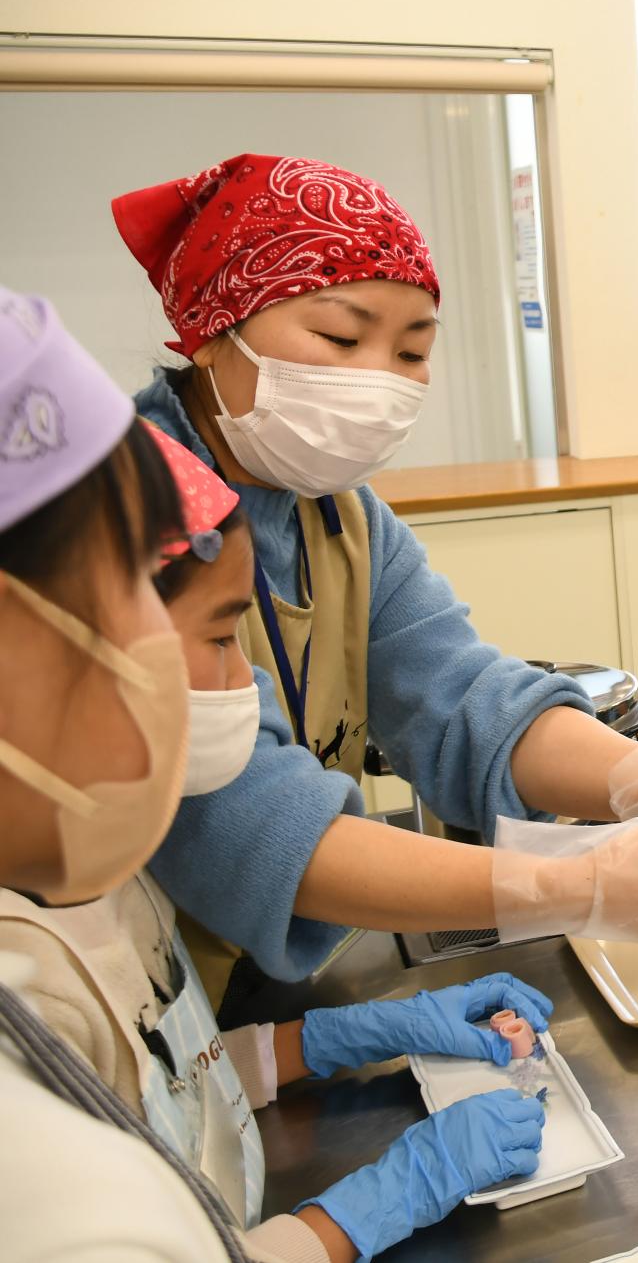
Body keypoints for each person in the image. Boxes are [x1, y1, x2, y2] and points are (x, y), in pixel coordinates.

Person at [109, 154, 638, 1001]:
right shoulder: (129, 515)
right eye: (341, 338)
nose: (378, 379)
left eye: (412, 349)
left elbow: (461, 693)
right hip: (150, 989)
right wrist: (576, 883)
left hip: (262, 992)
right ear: (214, 329)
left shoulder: (337, 513)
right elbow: (247, 820)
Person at [0, 286, 543, 1262]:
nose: (235, 687)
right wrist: (362, 1213)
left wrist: (338, 1039)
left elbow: (159, 1080)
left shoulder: (87, 862)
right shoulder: (25, 1005)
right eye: (214, 638)